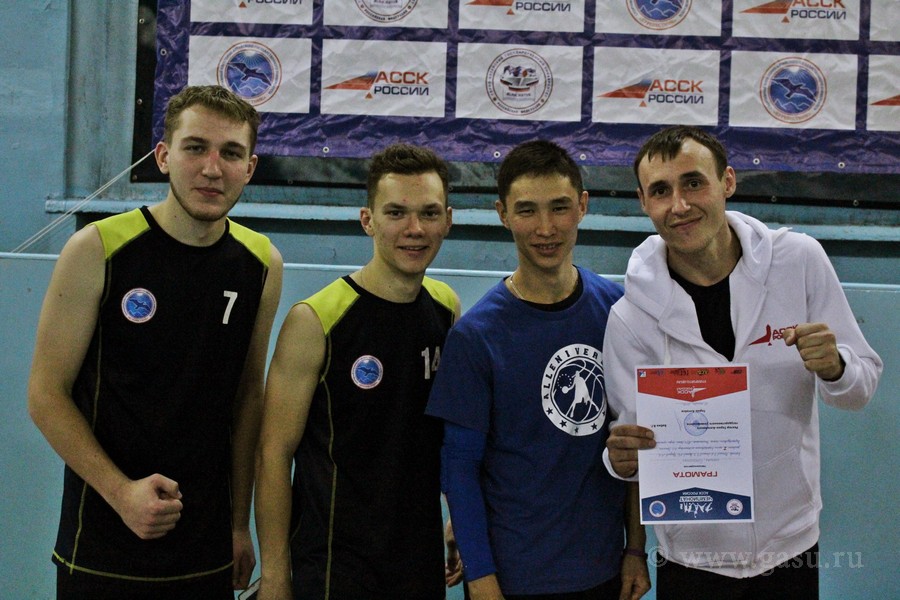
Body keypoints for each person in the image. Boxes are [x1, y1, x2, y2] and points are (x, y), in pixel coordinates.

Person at [603, 125, 883, 599]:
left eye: (694, 183)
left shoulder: (798, 261)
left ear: (727, 182)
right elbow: (633, 448)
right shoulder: (630, 318)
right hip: (690, 558)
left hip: (790, 546)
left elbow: (861, 387)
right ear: (643, 202)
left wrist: (835, 366)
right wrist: (619, 460)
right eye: (661, 191)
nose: (679, 205)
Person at [26, 85, 284, 599]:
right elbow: (45, 395)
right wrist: (121, 493)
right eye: (196, 148)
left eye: (231, 153)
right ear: (164, 157)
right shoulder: (97, 249)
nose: (212, 168)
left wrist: (239, 524)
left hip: (206, 546)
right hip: (102, 544)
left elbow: (247, 399)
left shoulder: (261, 263)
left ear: (249, 168)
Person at [426, 140, 651, 600]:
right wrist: (480, 577)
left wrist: (636, 548)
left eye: (559, 207)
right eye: (527, 210)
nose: (545, 228)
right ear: (503, 214)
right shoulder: (476, 337)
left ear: (582, 206)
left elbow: (633, 438)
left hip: (604, 570)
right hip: (512, 580)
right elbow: (459, 469)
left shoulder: (619, 311)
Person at [254, 143, 462, 600]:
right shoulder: (316, 321)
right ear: (368, 220)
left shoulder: (447, 309)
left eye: (429, 213)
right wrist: (275, 575)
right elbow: (273, 455)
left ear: (448, 220)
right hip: (334, 567)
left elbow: (447, 437)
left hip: (417, 561)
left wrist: (460, 519)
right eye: (396, 213)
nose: (414, 229)